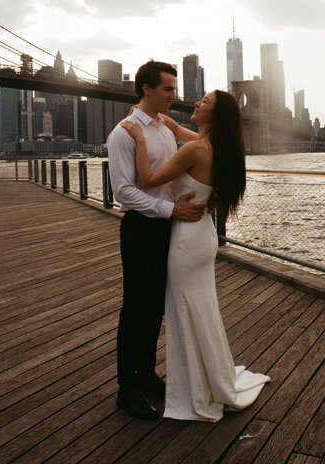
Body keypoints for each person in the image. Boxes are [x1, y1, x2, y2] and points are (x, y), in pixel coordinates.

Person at [121, 89, 270, 422]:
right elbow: (186, 135)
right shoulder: (218, 147)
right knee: (202, 309)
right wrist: (169, 125)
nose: (196, 103)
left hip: (186, 240)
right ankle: (211, 376)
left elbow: (146, 181)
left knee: (184, 311)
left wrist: (140, 138)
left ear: (213, 116)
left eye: (204, 102)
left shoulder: (193, 150)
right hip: (203, 234)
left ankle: (197, 387)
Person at [107, 60, 205, 422]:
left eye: (175, 90)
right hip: (142, 230)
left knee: (156, 309)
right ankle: (125, 389)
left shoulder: (165, 127)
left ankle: (146, 375)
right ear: (146, 88)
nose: (174, 97)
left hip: (169, 228)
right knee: (135, 309)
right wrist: (170, 210)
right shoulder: (123, 133)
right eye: (168, 89)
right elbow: (123, 192)